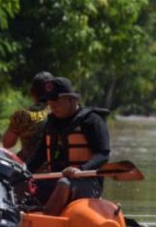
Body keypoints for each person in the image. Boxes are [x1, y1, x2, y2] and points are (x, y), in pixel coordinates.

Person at [26, 77, 111, 216]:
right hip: (55, 178)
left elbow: (103, 154)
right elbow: (40, 154)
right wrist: (23, 171)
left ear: (72, 100)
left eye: (56, 101)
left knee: (64, 183)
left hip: (86, 181)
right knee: (27, 184)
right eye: (49, 101)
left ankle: (47, 220)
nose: (52, 105)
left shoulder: (92, 121)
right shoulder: (51, 122)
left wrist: (80, 170)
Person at [1, 71, 52, 162]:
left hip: (27, 167)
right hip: (55, 168)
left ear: (32, 92)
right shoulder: (59, 113)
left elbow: (7, 143)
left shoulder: (22, 116)